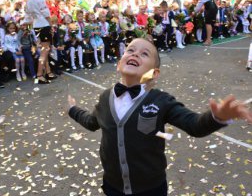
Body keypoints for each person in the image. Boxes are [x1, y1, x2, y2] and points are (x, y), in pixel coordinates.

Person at [67, 37, 252, 196]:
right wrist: (73, 109)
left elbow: (193, 124)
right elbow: (91, 122)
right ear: (119, 64)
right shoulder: (106, 97)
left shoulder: (161, 100)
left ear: (154, 74)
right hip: (113, 185)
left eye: (144, 54)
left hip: (151, 188)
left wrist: (216, 118)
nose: (135, 54)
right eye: (130, 50)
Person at [24, 0, 56, 84]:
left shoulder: (28, 0)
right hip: (43, 24)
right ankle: (39, 74)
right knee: (45, 50)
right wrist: (50, 24)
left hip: (36, 26)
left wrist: (28, 27)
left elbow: (28, 18)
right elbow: (45, 12)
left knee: (44, 49)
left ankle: (48, 72)